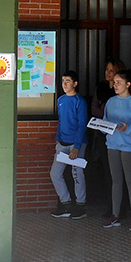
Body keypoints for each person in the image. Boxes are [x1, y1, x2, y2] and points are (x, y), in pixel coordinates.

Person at [102, 69, 131, 231]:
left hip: (129, 145)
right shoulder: (111, 101)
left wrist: (128, 129)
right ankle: (115, 214)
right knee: (116, 181)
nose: (115, 85)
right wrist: (103, 127)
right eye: (114, 82)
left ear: (128, 84)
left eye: (119, 82)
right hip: (112, 144)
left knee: (130, 181)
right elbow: (105, 122)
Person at [50, 70, 89, 220]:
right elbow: (61, 121)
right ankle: (65, 203)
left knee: (77, 174)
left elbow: (81, 125)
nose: (64, 84)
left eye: (68, 81)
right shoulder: (60, 100)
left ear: (75, 84)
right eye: (63, 81)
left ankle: (80, 205)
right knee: (55, 173)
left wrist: (77, 147)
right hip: (62, 143)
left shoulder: (80, 102)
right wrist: (58, 139)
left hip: (76, 143)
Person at [88, 58, 125, 213]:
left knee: (117, 172)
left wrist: (109, 117)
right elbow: (94, 108)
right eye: (107, 70)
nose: (108, 73)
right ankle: (109, 205)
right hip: (102, 134)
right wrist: (105, 116)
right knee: (105, 171)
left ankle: (119, 207)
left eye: (112, 70)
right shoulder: (101, 87)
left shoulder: (121, 92)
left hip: (118, 136)